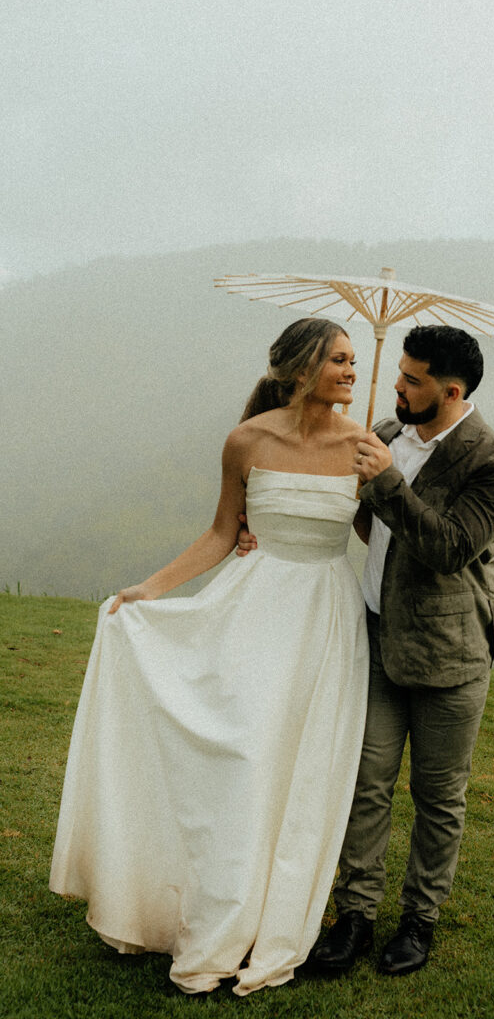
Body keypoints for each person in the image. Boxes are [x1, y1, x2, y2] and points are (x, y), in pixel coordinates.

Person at [49, 318, 370, 997]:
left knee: (298, 772)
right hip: (254, 611)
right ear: (301, 366)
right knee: (243, 760)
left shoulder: (365, 446)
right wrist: (151, 588)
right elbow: (224, 531)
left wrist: (385, 480)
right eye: (339, 360)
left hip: (325, 621)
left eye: (353, 360)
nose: (350, 370)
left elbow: (382, 539)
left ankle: (267, 924)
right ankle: (216, 919)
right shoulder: (246, 441)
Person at [308, 324, 494, 976]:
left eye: (411, 379)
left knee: (437, 795)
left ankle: (418, 922)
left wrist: (384, 484)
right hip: (375, 633)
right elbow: (366, 525)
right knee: (366, 784)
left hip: (450, 654)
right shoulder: (383, 433)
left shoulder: (493, 463)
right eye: (397, 374)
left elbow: (448, 549)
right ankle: (354, 917)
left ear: (450, 390)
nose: (396, 387)